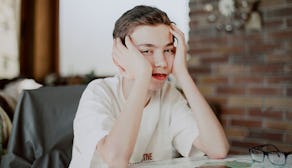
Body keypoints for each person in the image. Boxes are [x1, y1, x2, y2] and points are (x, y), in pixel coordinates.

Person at [69, 5, 229, 168]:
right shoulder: (98, 92)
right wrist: (142, 77)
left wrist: (182, 74)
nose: (162, 62)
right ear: (122, 55)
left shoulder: (169, 95)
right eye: (147, 51)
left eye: (168, 50)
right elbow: (117, 159)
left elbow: (217, 149)